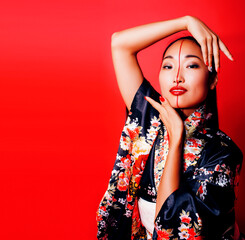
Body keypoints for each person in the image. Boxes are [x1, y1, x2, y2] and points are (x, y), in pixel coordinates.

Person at [96, 16, 243, 239]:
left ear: (212, 79)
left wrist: (176, 140)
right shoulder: (151, 118)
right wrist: (185, 22)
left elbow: (172, 225)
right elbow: (120, 44)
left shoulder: (222, 152)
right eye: (168, 65)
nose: (177, 77)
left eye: (191, 65)